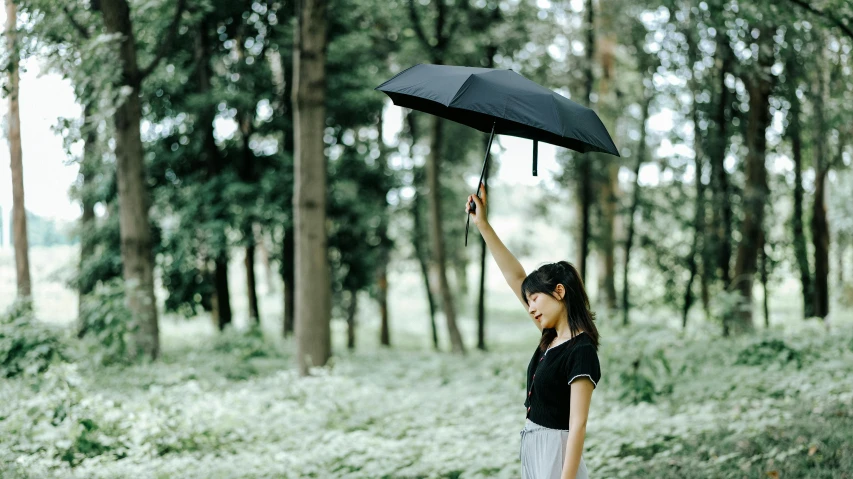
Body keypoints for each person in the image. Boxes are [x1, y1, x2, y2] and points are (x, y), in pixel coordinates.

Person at [465, 182, 601, 479]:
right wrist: (483, 225)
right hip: (534, 445)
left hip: (557, 452)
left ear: (560, 291)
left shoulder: (581, 351)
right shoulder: (551, 338)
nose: (530, 308)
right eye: (527, 302)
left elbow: (577, 425)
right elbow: (516, 276)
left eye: (535, 298)